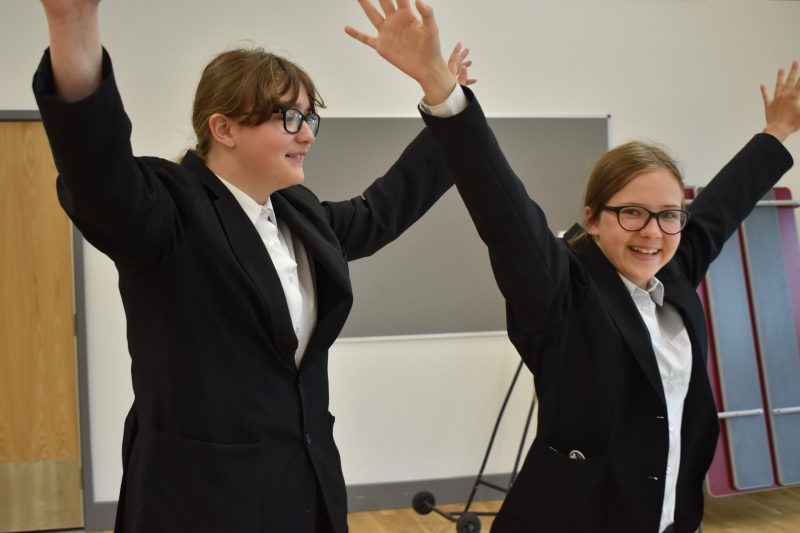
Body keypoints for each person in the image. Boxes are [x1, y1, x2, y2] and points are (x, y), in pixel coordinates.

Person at [347, 1, 800, 532]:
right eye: (631, 213)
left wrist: (777, 131)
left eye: (669, 215)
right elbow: (501, 204)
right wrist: (442, 90)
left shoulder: (673, 273)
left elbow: (727, 202)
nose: (653, 232)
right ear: (593, 217)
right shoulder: (561, 289)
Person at [33, 1, 475, 532]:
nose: (308, 133)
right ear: (223, 128)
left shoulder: (298, 212)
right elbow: (96, 170)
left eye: (311, 117)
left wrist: (442, 95)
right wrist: (71, 22)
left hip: (305, 488)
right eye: (290, 117)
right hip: (204, 502)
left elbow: (383, 211)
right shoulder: (168, 209)